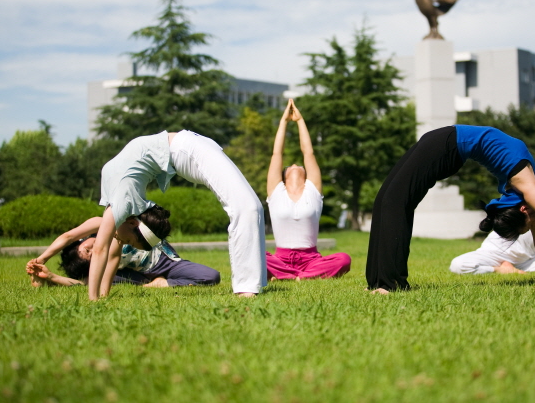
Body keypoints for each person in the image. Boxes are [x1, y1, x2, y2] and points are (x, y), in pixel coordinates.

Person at [366, 125, 535, 293]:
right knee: (387, 201)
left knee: (392, 200)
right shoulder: (530, 190)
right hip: (446, 144)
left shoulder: (523, 196)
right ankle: (384, 283)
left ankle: (384, 283)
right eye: (532, 224)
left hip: (445, 140)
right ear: (524, 211)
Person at [88, 131, 266, 300]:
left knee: (248, 207)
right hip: (186, 147)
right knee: (250, 206)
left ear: (134, 224)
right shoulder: (125, 209)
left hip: (187, 148)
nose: (122, 242)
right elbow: (112, 255)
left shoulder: (123, 201)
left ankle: (247, 287)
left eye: (128, 242)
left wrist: (93, 299)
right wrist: (102, 296)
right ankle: (249, 285)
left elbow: (100, 249)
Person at [264, 99, 351, 280]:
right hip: (280, 258)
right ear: (283, 176)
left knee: (343, 259)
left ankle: (289, 275)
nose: (295, 164)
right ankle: (301, 276)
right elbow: (276, 153)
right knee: (255, 254)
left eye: (299, 165)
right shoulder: (276, 192)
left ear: (306, 174)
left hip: (311, 259)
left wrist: (300, 121)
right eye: (290, 165)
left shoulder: (312, 190)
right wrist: (283, 122)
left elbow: (308, 153)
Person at [26, 216, 220, 288]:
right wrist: (51, 275)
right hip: (139, 276)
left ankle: (162, 283)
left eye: (87, 248)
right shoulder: (102, 259)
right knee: (97, 280)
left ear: (82, 241)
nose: (94, 250)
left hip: (165, 261)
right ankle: (51, 280)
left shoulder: (103, 223)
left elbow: (67, 236)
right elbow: (86, 282)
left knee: (211, 277)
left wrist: (42, 258)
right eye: (91, 257)